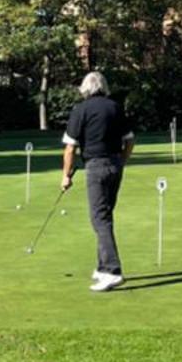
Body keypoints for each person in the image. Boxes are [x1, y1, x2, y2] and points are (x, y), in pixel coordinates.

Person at [61, 71, 134, 293]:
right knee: (105, 215)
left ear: (85, 88)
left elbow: (70, 147)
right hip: (115, 165)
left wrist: (66, 175)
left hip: (96, 166)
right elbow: (130, 141)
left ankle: (112, 271)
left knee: (99, 218)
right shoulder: (115, 107)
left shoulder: (81, 110)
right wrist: (121, 161)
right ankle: (103, 266)